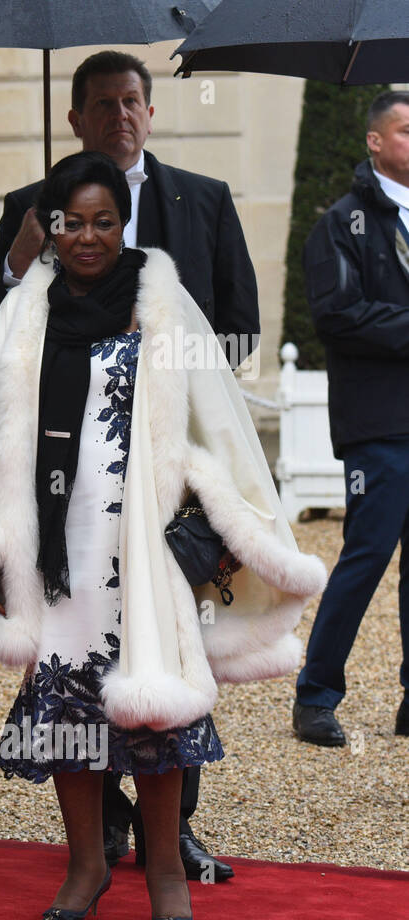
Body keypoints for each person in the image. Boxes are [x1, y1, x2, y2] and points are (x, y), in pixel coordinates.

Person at [0, 151, 325, 920]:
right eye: (71, 222)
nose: (87, 237)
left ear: (126, 223)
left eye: (103, 221)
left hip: (144, 546)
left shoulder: (165, 302)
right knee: (70, 713)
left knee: (153, 710)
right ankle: (84, 865)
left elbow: (218, 421)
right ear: (49, 227)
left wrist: (222, 523)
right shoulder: (25, 310)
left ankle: (163, 870)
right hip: (56, 546)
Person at [0, 50, 260, 880]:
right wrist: (17, 264)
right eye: (102, 104)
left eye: (133, 101)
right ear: (75, 118)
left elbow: (239, 326)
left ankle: (172, 837)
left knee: (170, 654)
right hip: (70, 482)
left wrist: (182, 384)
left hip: (171, 479)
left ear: (151, 109)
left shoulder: (201, 201)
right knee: (75, 651)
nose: (121, 115)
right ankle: (98, 832)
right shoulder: (29, 210)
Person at [293, 91, 409, 746]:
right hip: (378, 424)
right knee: (365, 555)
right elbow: (337, 313)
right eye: (406, 130)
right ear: (374, 141)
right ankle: (316, 693)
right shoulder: (341, 223)